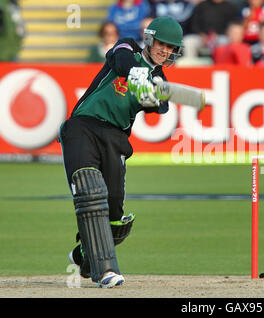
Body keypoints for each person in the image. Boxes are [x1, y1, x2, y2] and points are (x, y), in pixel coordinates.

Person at [59, 17, 184, 288]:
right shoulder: (127, 46)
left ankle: (83, 255)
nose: (165, 51)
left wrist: (152, 94)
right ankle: (105, 272)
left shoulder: (159, 78)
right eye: (161, 44)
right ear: (150, 40)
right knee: (90, 190)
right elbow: (121, 63)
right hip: (84, 126)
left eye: (171, 48)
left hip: (116, 139)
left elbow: (159, 108)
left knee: (115, 219)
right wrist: (139, 77)